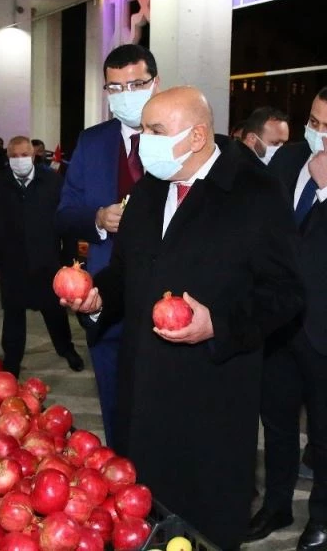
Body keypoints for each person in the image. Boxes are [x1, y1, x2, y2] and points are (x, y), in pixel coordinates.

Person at [63, 86, 304, 550]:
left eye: (155, 131)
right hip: (143, 382)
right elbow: (125, 271)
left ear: (196, 136)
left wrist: (219, 324)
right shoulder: (148, 188)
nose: (144, 142)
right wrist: (98, 299)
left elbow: (285, 292)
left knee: (202, 522)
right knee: (143, 513)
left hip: (212, 388)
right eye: (143, 130)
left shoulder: (254, 192)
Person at [55, 43, 159, 445]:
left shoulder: (174, 140)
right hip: (103, 295)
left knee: (160, 405)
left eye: (136, 84)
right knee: (114, 401)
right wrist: (97, 218)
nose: (125, 95)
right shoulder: (92, 142)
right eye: (115, 88)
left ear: (155, 83)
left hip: (165, 293)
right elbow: (65, 213)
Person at [249, 86, 327, 550]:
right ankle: (276, 505)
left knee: (323, 432)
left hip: (323, 329)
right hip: (278, 323)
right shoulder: (288, 159)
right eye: (314, 122)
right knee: (276, 424)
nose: (318, 133)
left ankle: (321, 518)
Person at [0, 136, 83, 376]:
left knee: (55, 312)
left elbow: (66, 223)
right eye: (14, 156)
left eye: (24, 155)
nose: (20, 160)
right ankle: (12, 362)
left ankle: (66, 349)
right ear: (8, 158)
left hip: (47, 262)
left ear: (34, 155)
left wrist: (70, 261)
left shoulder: (53, 182)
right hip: (12, 263)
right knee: (13, 316)